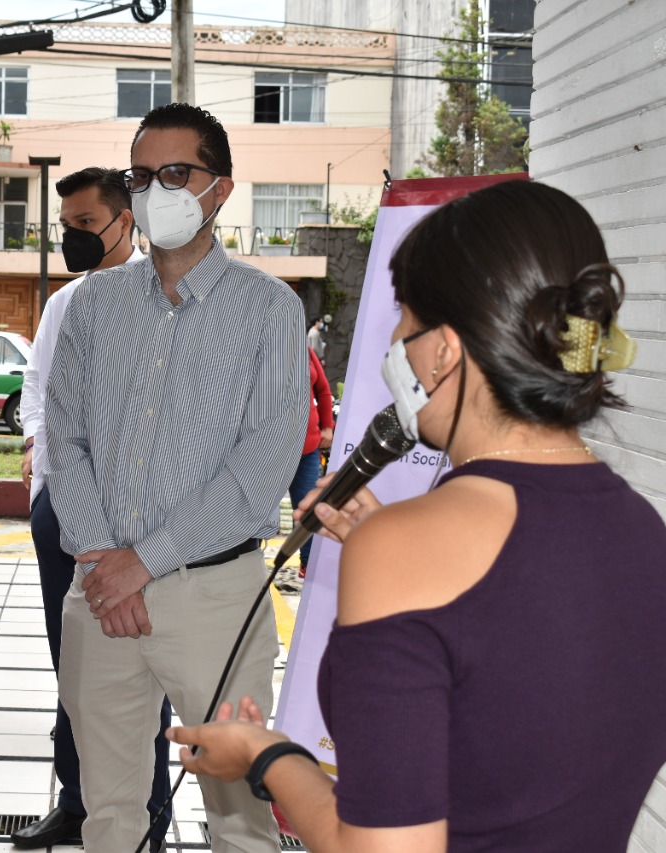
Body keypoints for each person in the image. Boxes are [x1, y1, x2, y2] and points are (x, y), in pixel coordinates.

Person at [165, 179, 666, 852]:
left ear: (443, 350)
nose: (393, 345)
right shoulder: (643, 530)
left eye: (403, 321)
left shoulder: (407, 549)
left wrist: (266, 756)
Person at [46, 103, 308, 853]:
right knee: (109, 813)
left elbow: (260, 470)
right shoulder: (90, 306)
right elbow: (64, 440)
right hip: (97, 591)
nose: (154, 190)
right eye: (140, 176)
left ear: (219, 188)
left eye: (174, 174)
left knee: (239, 817)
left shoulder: (270, 309)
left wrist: (144, 563)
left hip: (214, 595)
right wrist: (105, 560)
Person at [12, 166, 173, 850]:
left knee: (140, 673)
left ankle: (148, 817)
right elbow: (38, 386)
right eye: (66, 226)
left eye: (86, 223)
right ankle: (77, 800)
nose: (74, 237)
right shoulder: (64, 303)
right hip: (60, 510)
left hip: (132, 522)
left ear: (124, 221)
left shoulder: (165, 298)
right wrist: (39, 470)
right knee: (70, 666)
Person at [285, 346, 335, 579]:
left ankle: (309, 568)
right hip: (267, 450)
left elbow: (323, 390)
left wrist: (327, 425)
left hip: (308, 447)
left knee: (310, 511)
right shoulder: (256, 343)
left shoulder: (305, 349)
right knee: (255, 513)